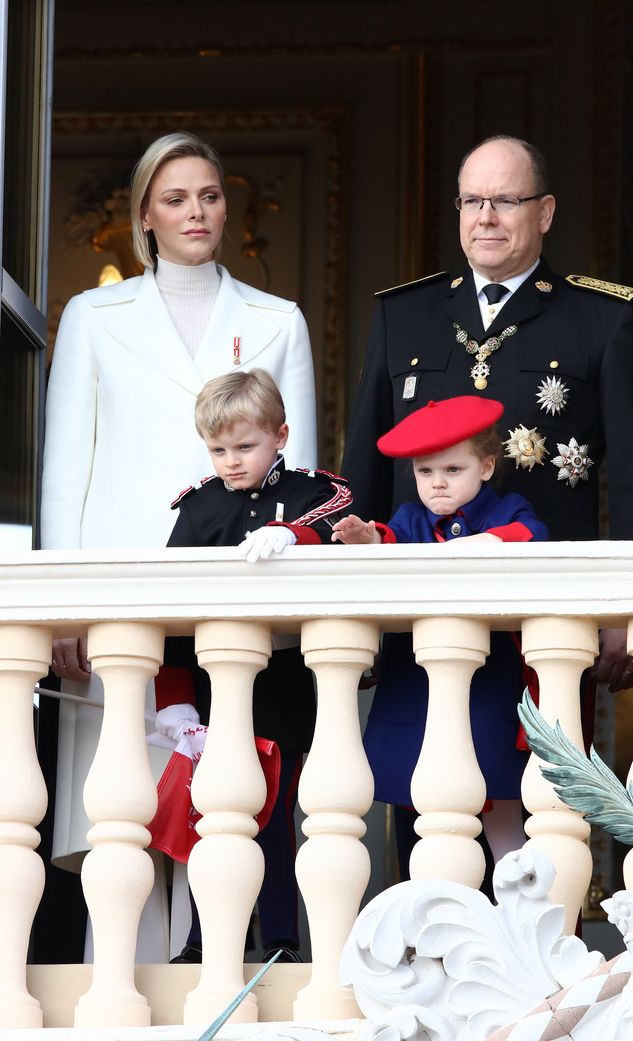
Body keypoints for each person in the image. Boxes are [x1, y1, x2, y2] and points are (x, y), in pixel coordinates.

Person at [39, 131, 317, 961]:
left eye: (208, 194)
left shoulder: (278, 320)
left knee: (225, 802)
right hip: (122, 596)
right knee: (123, 811)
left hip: (236, 600)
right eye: (174, 198)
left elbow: (296, 478)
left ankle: (217, 982)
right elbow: (66, 469)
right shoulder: (92, 315)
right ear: (144, 217)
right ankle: (115, 989)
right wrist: (63, 606)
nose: (195, 211)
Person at [342, 134, 633, 692]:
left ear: (545, 212)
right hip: (414, 614)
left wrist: (626, 607)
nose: (486, 218)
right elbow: (364, 465)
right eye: (472, 201)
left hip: (549, 617)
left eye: (506, 201)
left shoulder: (603, 319)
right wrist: (352, 608)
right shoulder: (403, 314)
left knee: (539, 778)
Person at [156, 367, 352, 962]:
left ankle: (283, 942)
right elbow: (172, 613)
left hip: (285, 686)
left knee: (277, 819)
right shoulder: (197, 510)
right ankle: (206, 939)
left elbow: (342, 524)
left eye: (246, 446)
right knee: (212, 815)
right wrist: (174, 699)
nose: (231, 461)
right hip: (216, 686)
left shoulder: (318, 493)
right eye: (218, 449)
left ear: (281, 435)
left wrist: (295, 534)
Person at [333, 395, 548, 865]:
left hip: (489, 684)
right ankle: (427, 927)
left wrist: (478, 543)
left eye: (453, 470)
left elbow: (532, 535)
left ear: (486, 467)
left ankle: (517, 918)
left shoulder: (507, 508)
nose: (438, 484)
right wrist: (369, 539)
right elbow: (390, 542)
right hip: (416, 686)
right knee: (419, 807)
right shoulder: (410, 518)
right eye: (425, 472)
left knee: (502, 808)